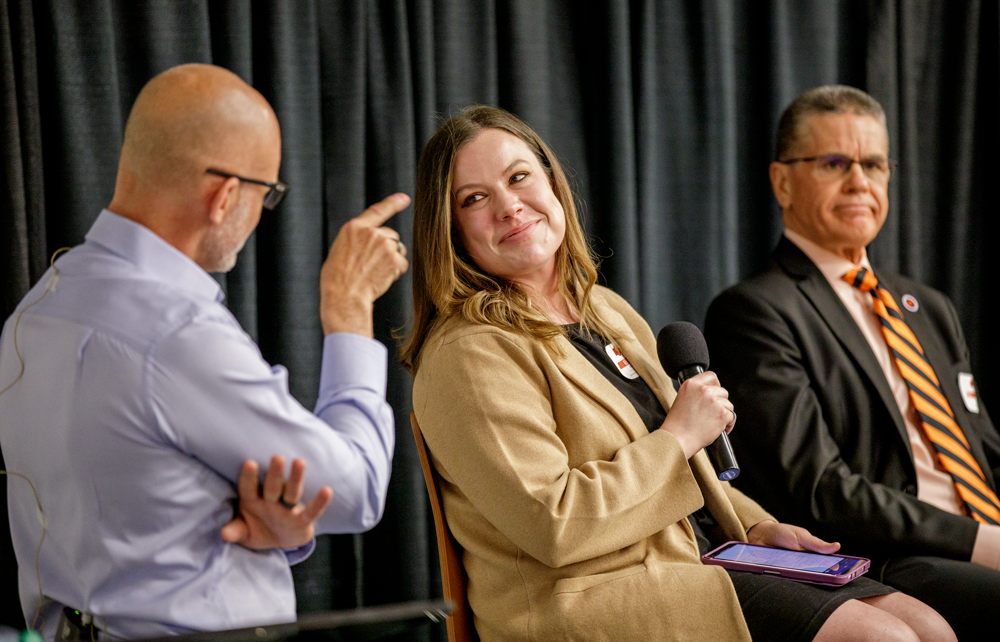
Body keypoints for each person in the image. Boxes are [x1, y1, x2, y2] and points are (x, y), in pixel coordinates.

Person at [403, 105, 954, 642]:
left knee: (930, 626)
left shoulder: (604, 310)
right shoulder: (468, 353)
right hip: (590, 597)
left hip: (698, 561)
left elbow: (692, 469)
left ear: (552, 185)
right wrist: (678, 436)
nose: (509, 206)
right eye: (475, 199)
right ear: (450, 230)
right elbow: (554, 522)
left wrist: (756, 526)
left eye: (519, 177)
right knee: (881, 637)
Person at [0, 64, 409, 639]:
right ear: (224, 198)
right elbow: (357, 487)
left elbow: (138, 511)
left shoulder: (38, 308)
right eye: (266, 195)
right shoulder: (175, 334)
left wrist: (277, 533)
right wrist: (350, 310)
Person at [704, 85, 1000, 640]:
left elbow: (984, 451)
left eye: (873, 164)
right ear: (782, 181)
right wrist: (981, 540)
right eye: (834, 163)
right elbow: (820, 489)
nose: (859, 181)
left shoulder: (928, 307)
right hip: (887, 561)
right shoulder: (755, 311)